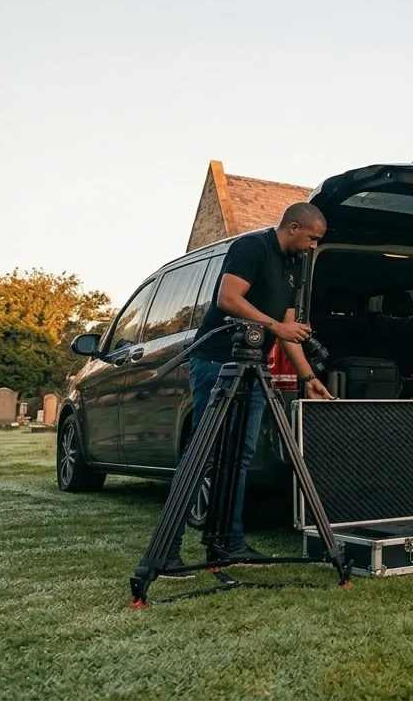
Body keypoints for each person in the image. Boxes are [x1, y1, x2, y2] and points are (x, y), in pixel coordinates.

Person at [163, 203, 333, 574]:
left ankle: (228, 544)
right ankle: (168, 549)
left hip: (255, 365)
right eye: (312, 239)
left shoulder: (294, 266)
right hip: (216, 362)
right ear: (293, 227)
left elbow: (288, 331)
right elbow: (228, 299)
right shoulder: (251, 248)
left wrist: (308, 377)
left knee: (239, 455)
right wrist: (276, 326)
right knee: (201, 454)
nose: (314, 247)